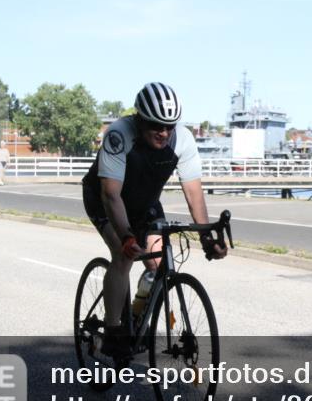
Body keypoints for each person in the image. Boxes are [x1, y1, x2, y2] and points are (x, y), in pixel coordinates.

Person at [82, 82, 227, 360]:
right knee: (123, 257)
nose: (163, 132)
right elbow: (111, 194)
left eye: (169, 126)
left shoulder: (182, 140)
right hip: (104, 199)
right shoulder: (119, 135)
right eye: (155, 126)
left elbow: (194, 191)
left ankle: (135, 319)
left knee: (158, 264)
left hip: (144, 203)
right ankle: (113, 331)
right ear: (139, 119)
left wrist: (207, 237)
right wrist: (125, 236)